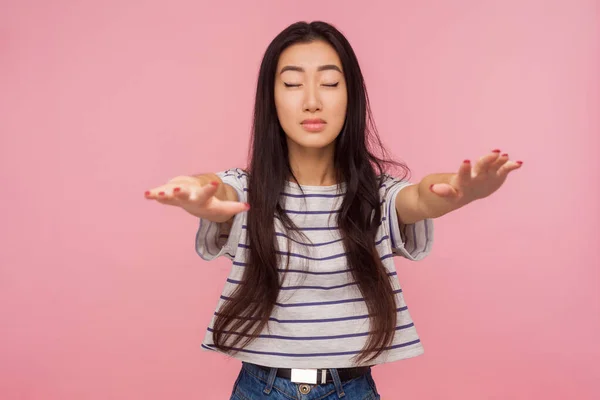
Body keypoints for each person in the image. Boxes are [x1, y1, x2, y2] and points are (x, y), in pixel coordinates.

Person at [144, 21, 522, 400]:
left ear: (351, 96)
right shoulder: (245, 192)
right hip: (260, 388)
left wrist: (461, 192)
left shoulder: (378, 195)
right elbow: (216, 188)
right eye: (292, 84)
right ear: (271, 98)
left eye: (329, 83)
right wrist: (197, 192)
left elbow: (423, 196)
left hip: (352, 389)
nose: (312, 100)